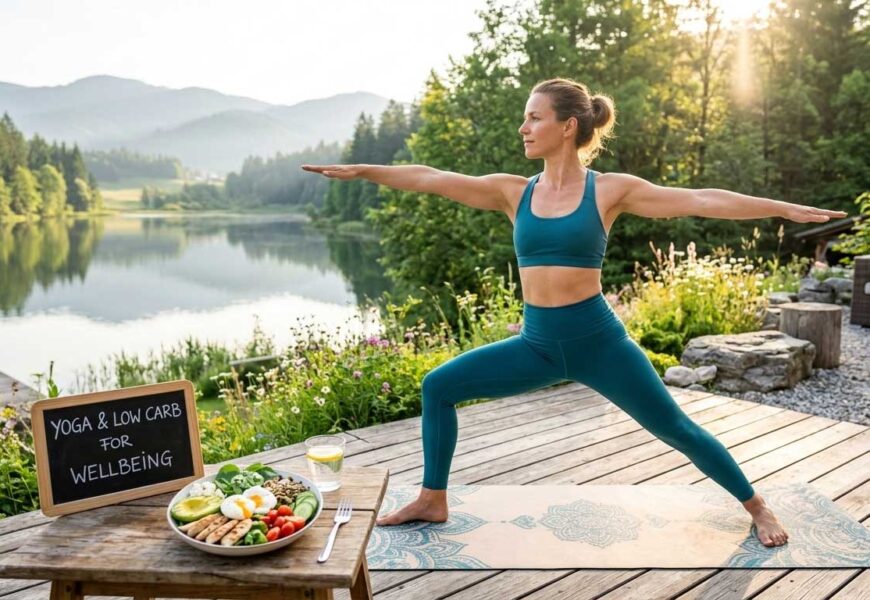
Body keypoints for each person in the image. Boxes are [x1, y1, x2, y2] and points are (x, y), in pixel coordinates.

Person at [302, 77, 847, 548]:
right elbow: (432, 177)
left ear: (567, 126)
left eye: (533, 117)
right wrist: (363, 169)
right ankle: (432, 498)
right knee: (438, 385)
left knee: (677, 428)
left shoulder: (610, 190)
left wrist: (781, 207)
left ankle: (757, 507)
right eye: (524, 118)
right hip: (536, 344)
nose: (523, 127)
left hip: (599, 344)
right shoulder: (513, 192)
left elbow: (702, 198)